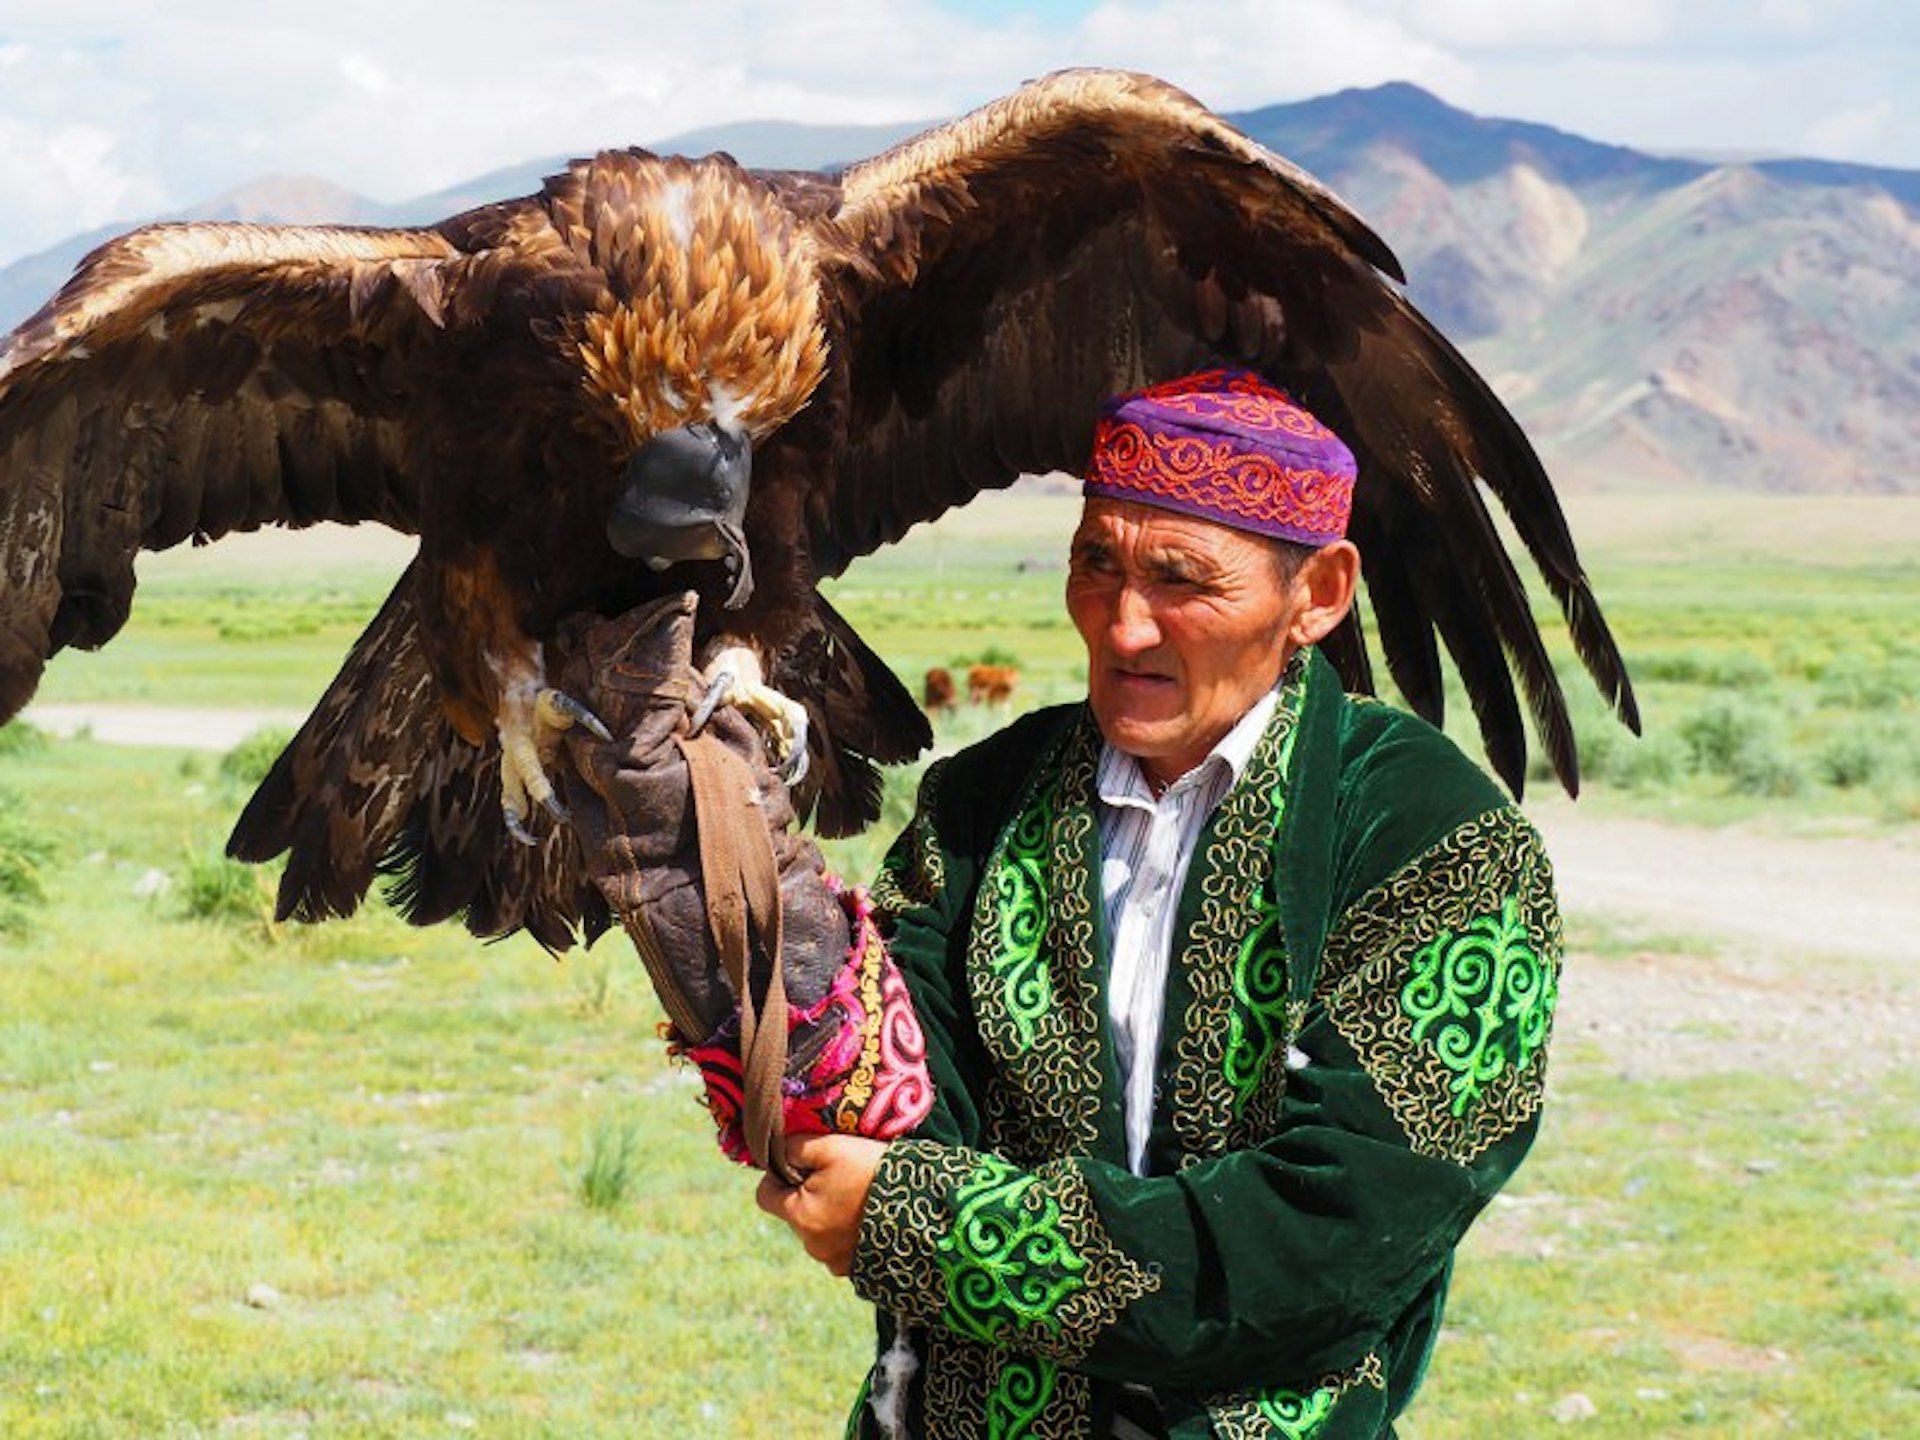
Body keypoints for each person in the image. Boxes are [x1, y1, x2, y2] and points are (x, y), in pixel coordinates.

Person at [743, 369, 1562, 1440]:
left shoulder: (1439, 843)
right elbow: (886, 1095)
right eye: (1097, 565)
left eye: (1182, 579)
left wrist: (925, 1228)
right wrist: (755, 938)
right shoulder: (980, 801)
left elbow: (1330, 1243)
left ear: (1316, 594)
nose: (1124, 627)